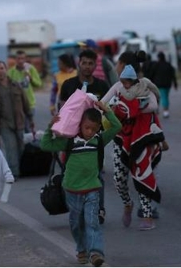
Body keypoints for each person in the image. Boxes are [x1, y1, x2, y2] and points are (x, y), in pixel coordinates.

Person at [40, 102, 121, 267]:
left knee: (92, 221)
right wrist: (50, 127)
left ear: (99, 128)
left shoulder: (99, 140)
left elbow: (116, 126)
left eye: (94, 128)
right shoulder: (69, 142)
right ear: (79, 125)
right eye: (86, 127)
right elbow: (45, 145)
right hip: (72, 190)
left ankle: (95, 252)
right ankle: (81, 249)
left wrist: (106, 111)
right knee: (76, 223)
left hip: (92, 188)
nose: (90, 131)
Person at [105, 61, 165, 231]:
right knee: (118, 179)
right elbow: (104, 103)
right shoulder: (117, 87)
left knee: (142, 174)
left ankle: (147, 216)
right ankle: (127, 204)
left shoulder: (145, 87)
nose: (126, 84)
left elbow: (153, 105)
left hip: (141, 137)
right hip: (120, 138)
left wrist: (131, 108)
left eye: (128, 80)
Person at [60, 49, 110, 224]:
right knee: (71, 171)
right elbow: (62, 110)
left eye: (91, 63)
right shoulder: (68, 85)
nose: (87, 66)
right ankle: (77, 210)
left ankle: (99, 209)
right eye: (84, 63)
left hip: (94, 137)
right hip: (72, 138)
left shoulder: (102, 86)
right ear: (78, 64)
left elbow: (107, 111)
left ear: (95, 65)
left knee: (97, 172)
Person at [7, 50, 42, 132]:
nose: (20, 61)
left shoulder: (30, 69)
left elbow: (39, 84)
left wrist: (31, 78)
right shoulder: (11, 72)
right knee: (20, 127)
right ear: (15, 59)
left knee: (29, 128)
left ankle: (30, 144)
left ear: (25, 59)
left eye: (22, 58)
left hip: (29, 103)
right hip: (17, 105)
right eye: (18, 59)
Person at [151, 52, 178, 118]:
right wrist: (175, 84)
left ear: (159, 58)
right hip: (167, 84)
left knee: (158, 97)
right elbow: (173, 75)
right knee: (165, 97)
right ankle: (165, 111)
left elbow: (152, 74)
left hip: (158, 84)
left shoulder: (156, 65)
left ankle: (159, 110)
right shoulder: (168, 65)